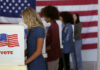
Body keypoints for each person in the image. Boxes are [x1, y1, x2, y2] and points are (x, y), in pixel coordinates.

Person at [41, 6, 61, 70]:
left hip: (53, 56)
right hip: (51, 55)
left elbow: (54, 44)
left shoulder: (53, 27)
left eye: (45, 17)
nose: (44, 19)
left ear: (49, 17)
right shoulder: (53, 25)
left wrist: (42, 50)